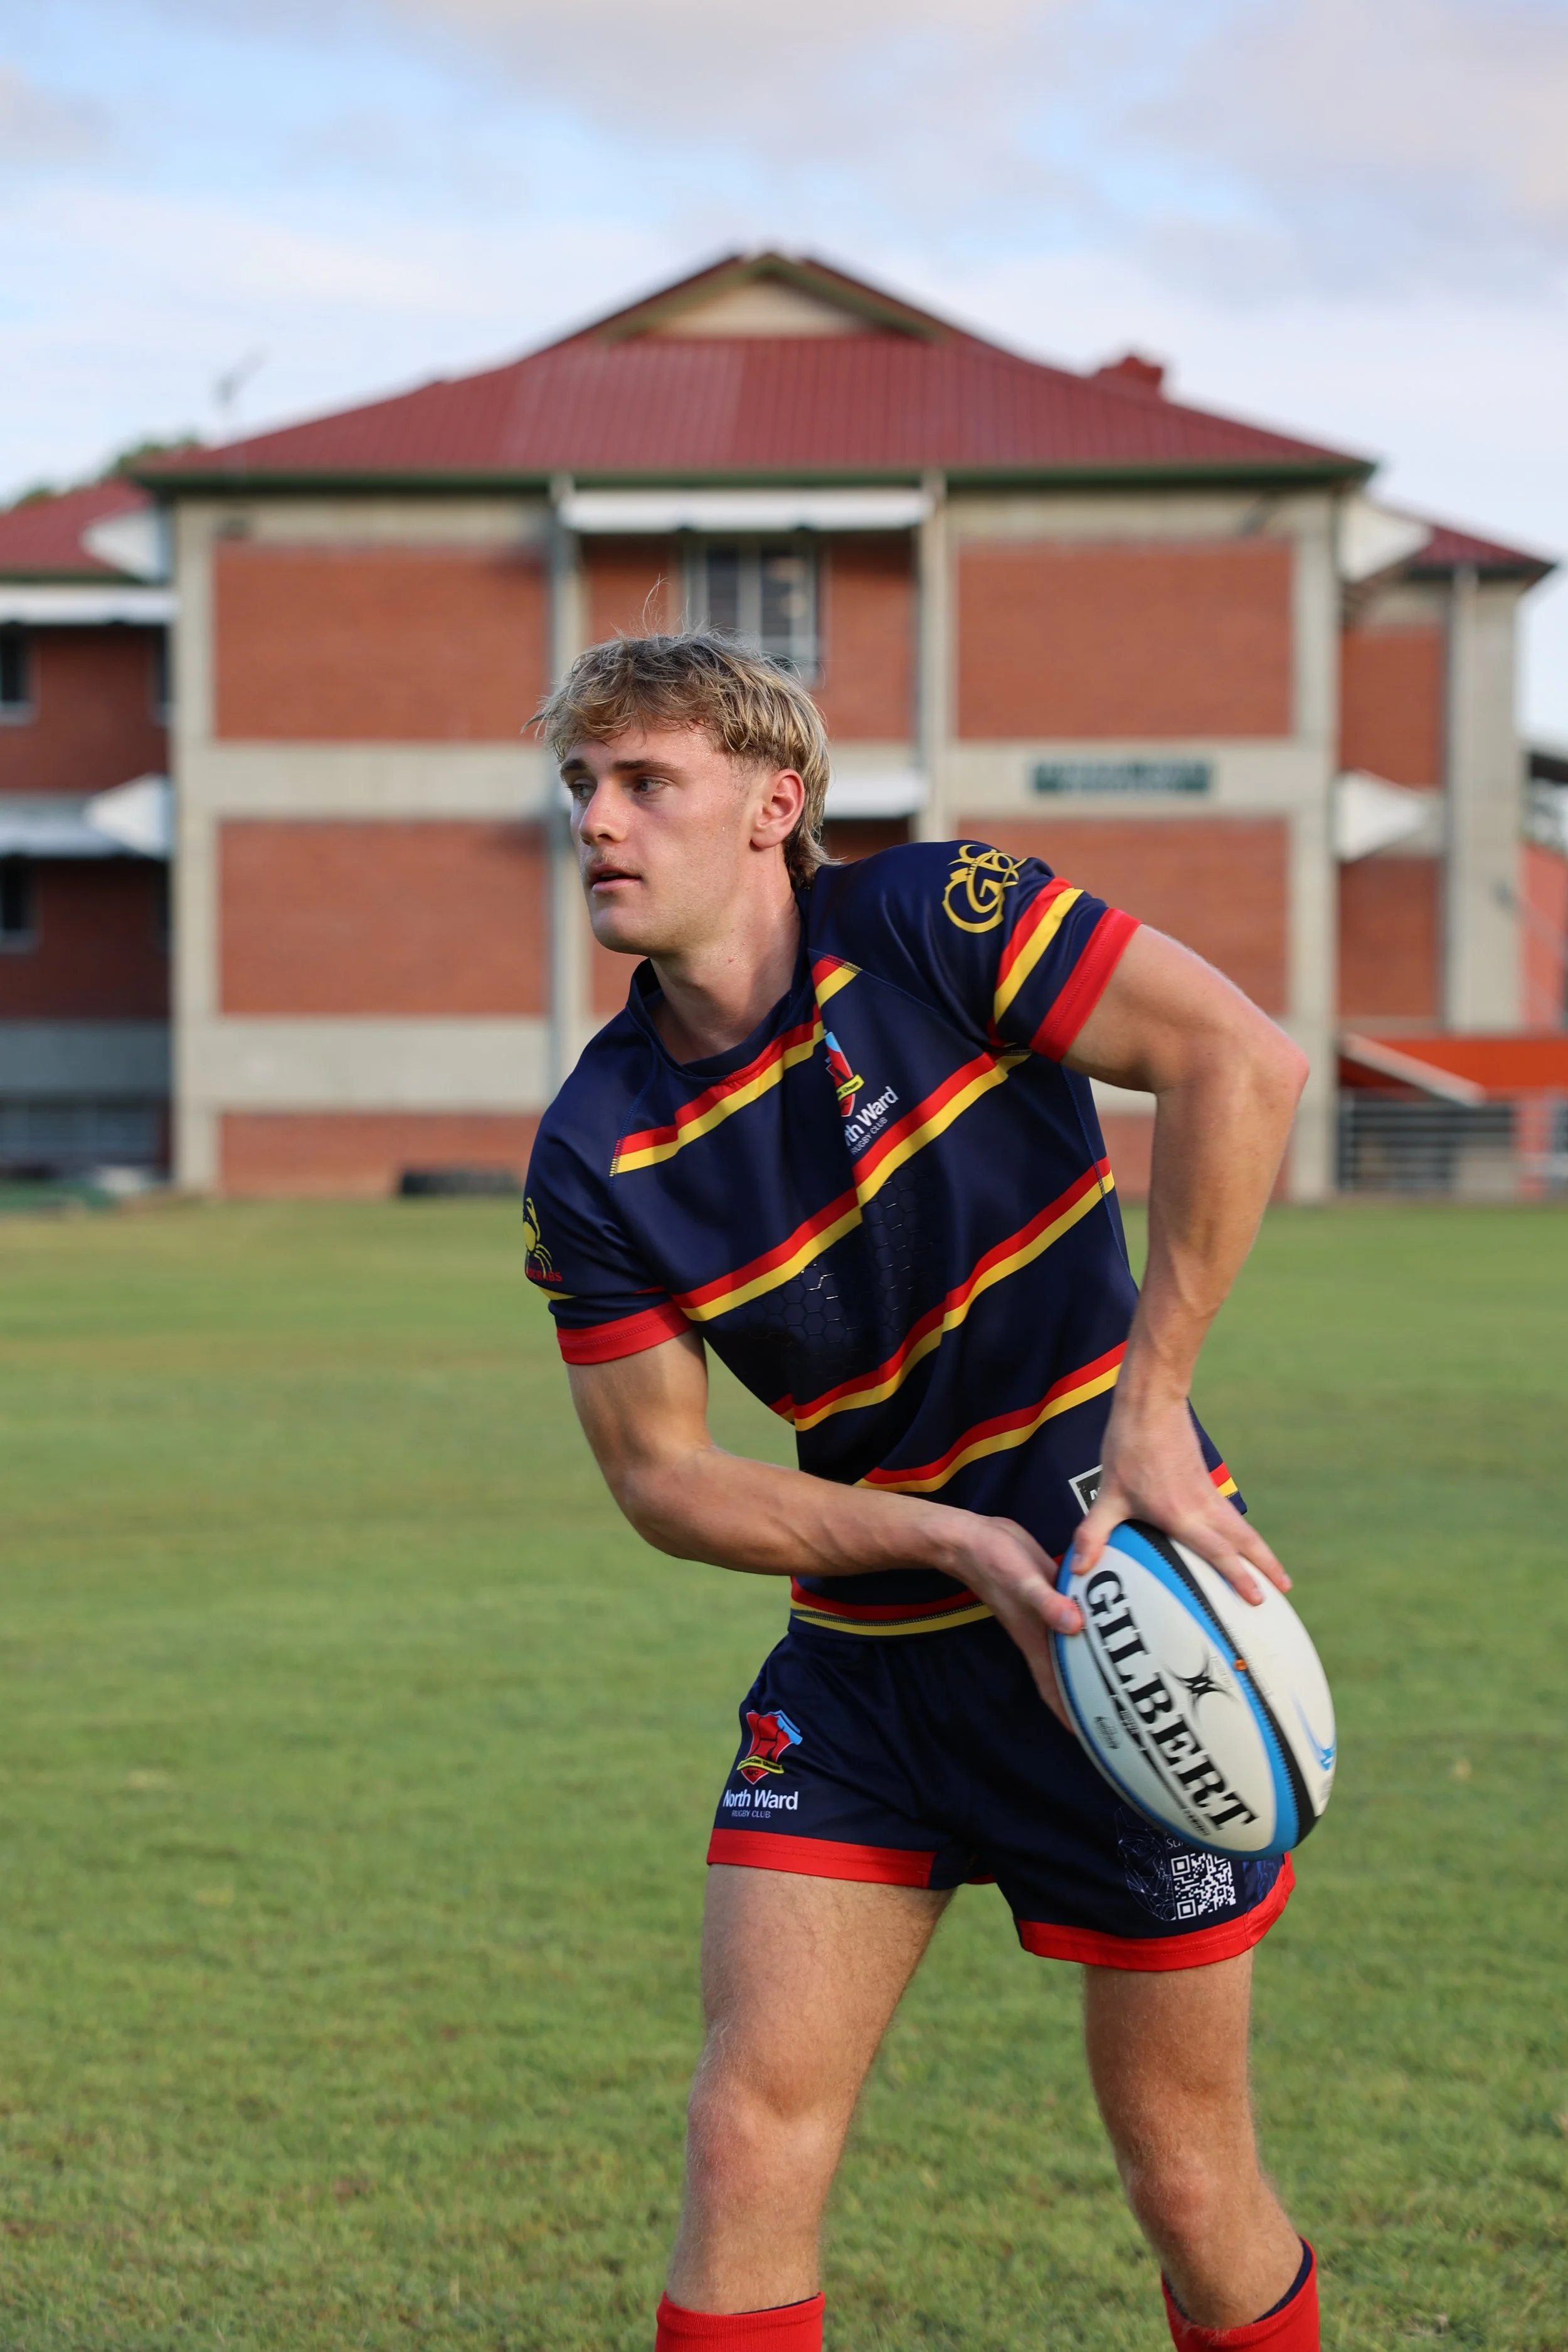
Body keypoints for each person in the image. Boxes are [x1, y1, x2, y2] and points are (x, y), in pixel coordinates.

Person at [522, 633, 1319, 2352]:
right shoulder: (593, 1142)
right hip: (868, 1669)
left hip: (1128, 1632)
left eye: (644, 779)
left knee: (1185, 2175)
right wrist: (950, 1536)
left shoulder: (928, 919)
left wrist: (1152, 1408)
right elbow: (664, 1479)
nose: (598, 818)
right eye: (580, 785)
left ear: (771, 803)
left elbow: (1239, 1059)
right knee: (746, 2130)